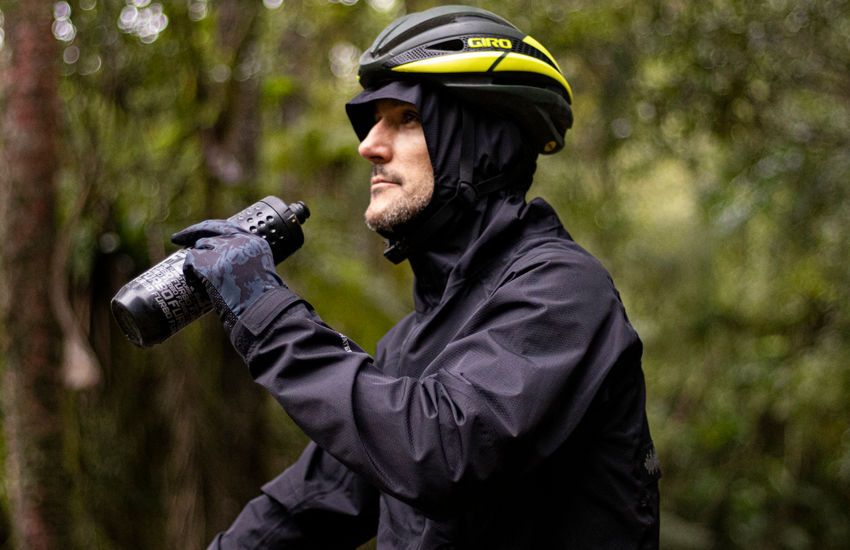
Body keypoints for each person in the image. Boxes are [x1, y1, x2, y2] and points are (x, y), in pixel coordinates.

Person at [172, 6, 661, 549]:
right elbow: (309, 504)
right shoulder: (412, 343)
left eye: (406, 119)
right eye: (374, 121)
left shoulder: (563, 290)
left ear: (482, 142)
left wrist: (265, 309)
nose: (369, 146)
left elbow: (439, 452)